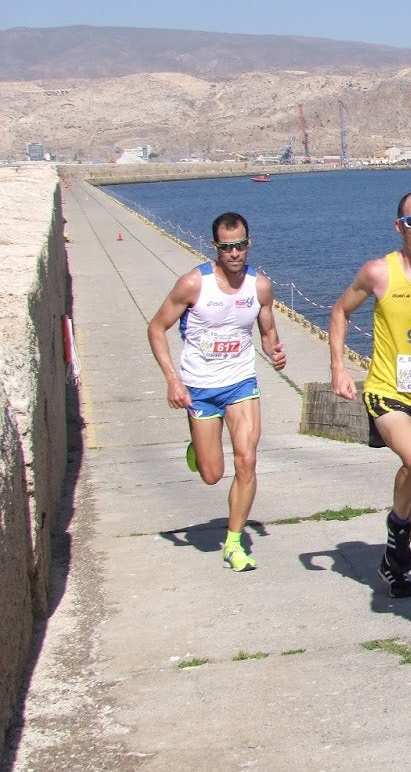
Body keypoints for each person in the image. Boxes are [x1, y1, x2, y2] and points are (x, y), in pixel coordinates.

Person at [329, 190, 411, 599]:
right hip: (388, 392)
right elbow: (339, 312)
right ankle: (397, 529)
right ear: (399, 226)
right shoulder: (378, 272)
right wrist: (338, 368)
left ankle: (392, 562)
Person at [147, 211, 286, 572]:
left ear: (249, 243)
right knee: (211, 474)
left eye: (240, 245)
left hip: (241, 383)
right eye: (227, 247)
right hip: (200, 388)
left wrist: (274, 351)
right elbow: (156, 328)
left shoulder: (260, 287)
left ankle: (234, 542)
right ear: (215, 248)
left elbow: (268, 332)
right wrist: (173, 381)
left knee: (248, 459)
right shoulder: (194, 284)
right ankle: (198, 445)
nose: (235, 253)